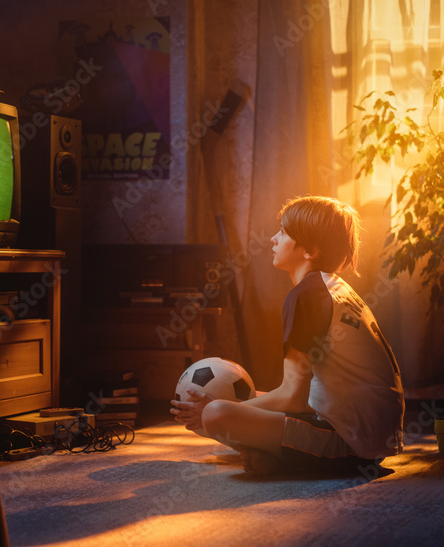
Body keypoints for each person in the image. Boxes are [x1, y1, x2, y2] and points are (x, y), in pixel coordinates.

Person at [171, 195, 404, 475]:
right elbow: (301, 395)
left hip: (350, 443)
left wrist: (219, 408)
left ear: (310, 250)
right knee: (228, 399)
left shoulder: (307, 295)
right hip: (369, 435)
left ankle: (285, 460)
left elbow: (293, 398)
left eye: (283, 232)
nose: (273, 239)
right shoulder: (333, 288)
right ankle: (277, 456)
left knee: (213, 413)